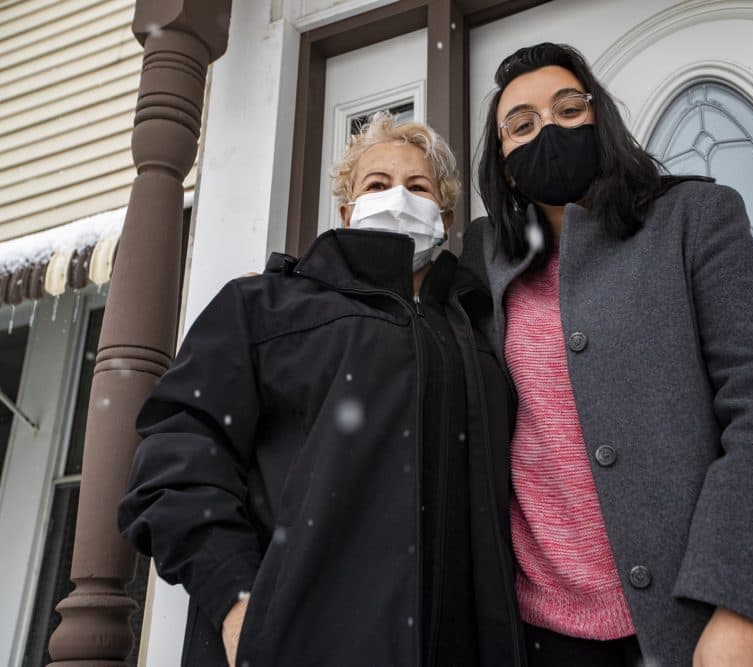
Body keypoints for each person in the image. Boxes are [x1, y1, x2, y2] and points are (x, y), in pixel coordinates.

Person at [467, 42, 753, 667]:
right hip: (547, 633)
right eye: (521, 125)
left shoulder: (694, 218)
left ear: (599, 120)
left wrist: (740, 602)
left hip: (699, 617)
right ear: (504, 166)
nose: (546, 131)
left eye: (567, 109)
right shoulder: (485, 260)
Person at [118, 113, 526, 667]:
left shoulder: (476, 334)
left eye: (418, 187)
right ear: (346, 210)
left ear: (445, 215)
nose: (398, 199)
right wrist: (236, 599)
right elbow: (177, 456)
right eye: (377, 185)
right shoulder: (263, 307)